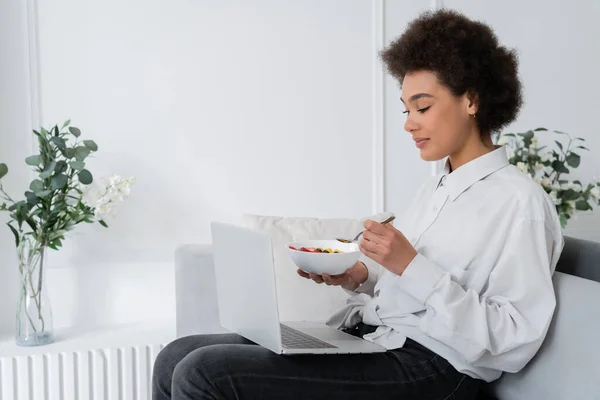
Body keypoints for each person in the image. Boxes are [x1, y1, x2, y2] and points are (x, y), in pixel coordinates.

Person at [152, 9, 563, 400]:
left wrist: (410, 265)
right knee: (174, 356)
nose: (408, 123)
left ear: (471, 100)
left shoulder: (520, 202)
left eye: (422, 107)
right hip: (374, 340)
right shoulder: (437, 187)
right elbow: (406, 284)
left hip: (434, 371)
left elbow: (512, 339)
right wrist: (359, 275)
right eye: (406, 110)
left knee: (202, 372)